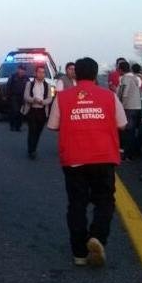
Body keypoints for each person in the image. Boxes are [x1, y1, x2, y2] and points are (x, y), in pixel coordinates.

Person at [47, 57, 127, 267]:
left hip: (74, 158)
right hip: (103, 157)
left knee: (77, 204)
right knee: (104, 200)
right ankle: (97, 236)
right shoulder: (109, 96)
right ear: (95, 74)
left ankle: (79, 253)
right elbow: (122, 124)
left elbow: (52, 126)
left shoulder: (62, 98)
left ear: (76, 74)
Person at [22, 65, 53, 159]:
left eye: (43, 72)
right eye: (39, 72)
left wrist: (43, 102)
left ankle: (34, 148)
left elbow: (50, 98)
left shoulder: (47, 85)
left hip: (42, 111)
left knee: (38, 132)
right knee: (32, 130)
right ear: (35, 73)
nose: (41, 74)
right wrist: (33, 100)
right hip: (32, 110)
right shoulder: (29, 84)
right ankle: (31, 150)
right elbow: (26, 96)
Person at [116, 60, 142, 160]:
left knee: (127, 132)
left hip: (128, 108)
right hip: (137, 107)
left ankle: (128, 154)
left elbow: (124, 93)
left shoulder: (125, 78)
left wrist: (120, 106)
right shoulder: (135, 78)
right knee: (132, 131)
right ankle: (131, 153)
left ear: (120, 70)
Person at [6, 64, 29, 132]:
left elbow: (29, 87)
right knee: (15, 111)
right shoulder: (13, 77)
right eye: (21, 69)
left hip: (23, 97)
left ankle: (18, 127)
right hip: (14, 96)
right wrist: (8, 96)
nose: (22, 71)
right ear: (18, 69)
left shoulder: (26, 78)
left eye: (23, 70)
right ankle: (12, 126)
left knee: (21, 112)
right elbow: (8, 86)